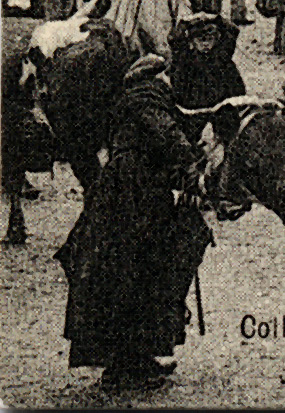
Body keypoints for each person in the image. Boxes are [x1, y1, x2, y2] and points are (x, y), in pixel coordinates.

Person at [56, 52, 212, 390]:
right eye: (169, 76)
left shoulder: (131, 102)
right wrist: (194, 167)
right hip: (134, 195)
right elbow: (168, 139)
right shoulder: (147, 98)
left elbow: (154, 148)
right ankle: (125, 366)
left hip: (127, 192)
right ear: (158, 76)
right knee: (135, 272)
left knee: (130, 273)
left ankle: (138, 357)